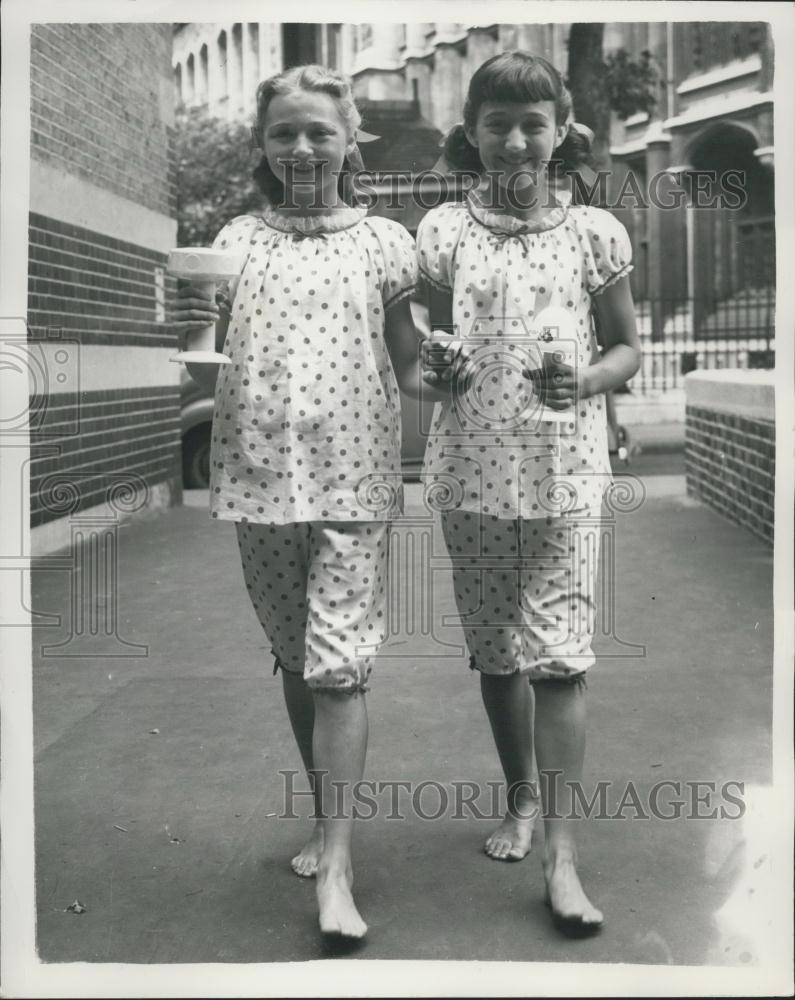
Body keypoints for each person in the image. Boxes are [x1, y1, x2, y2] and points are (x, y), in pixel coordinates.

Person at [173, 64, 448, 940]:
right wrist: (185, 315)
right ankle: (326, 820)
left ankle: (337, 860)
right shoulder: (234, 237)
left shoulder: (384, 243)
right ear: (263, 145)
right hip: (255, 475)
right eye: (283, 132)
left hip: (354, 476)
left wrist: (444, 372)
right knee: (296, 658)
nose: (301, 147)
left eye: (318, 132)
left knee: (337, 663)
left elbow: (410, 367)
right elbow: (200, 354)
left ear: (349, 139)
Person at [417, 50, 641, 935]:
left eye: (532, 122)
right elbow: (423, 342)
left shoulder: (594, 233)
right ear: (471, 134)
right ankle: (516, 799)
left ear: (559, 128)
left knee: (561, 658)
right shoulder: (440, 231)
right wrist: (438, 362)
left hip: (562, 473)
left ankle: (561, 852)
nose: (515, 139)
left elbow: (625, 346)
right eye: (497, 123)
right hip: (469, 474)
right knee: (498, 654)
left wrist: (585, 381)